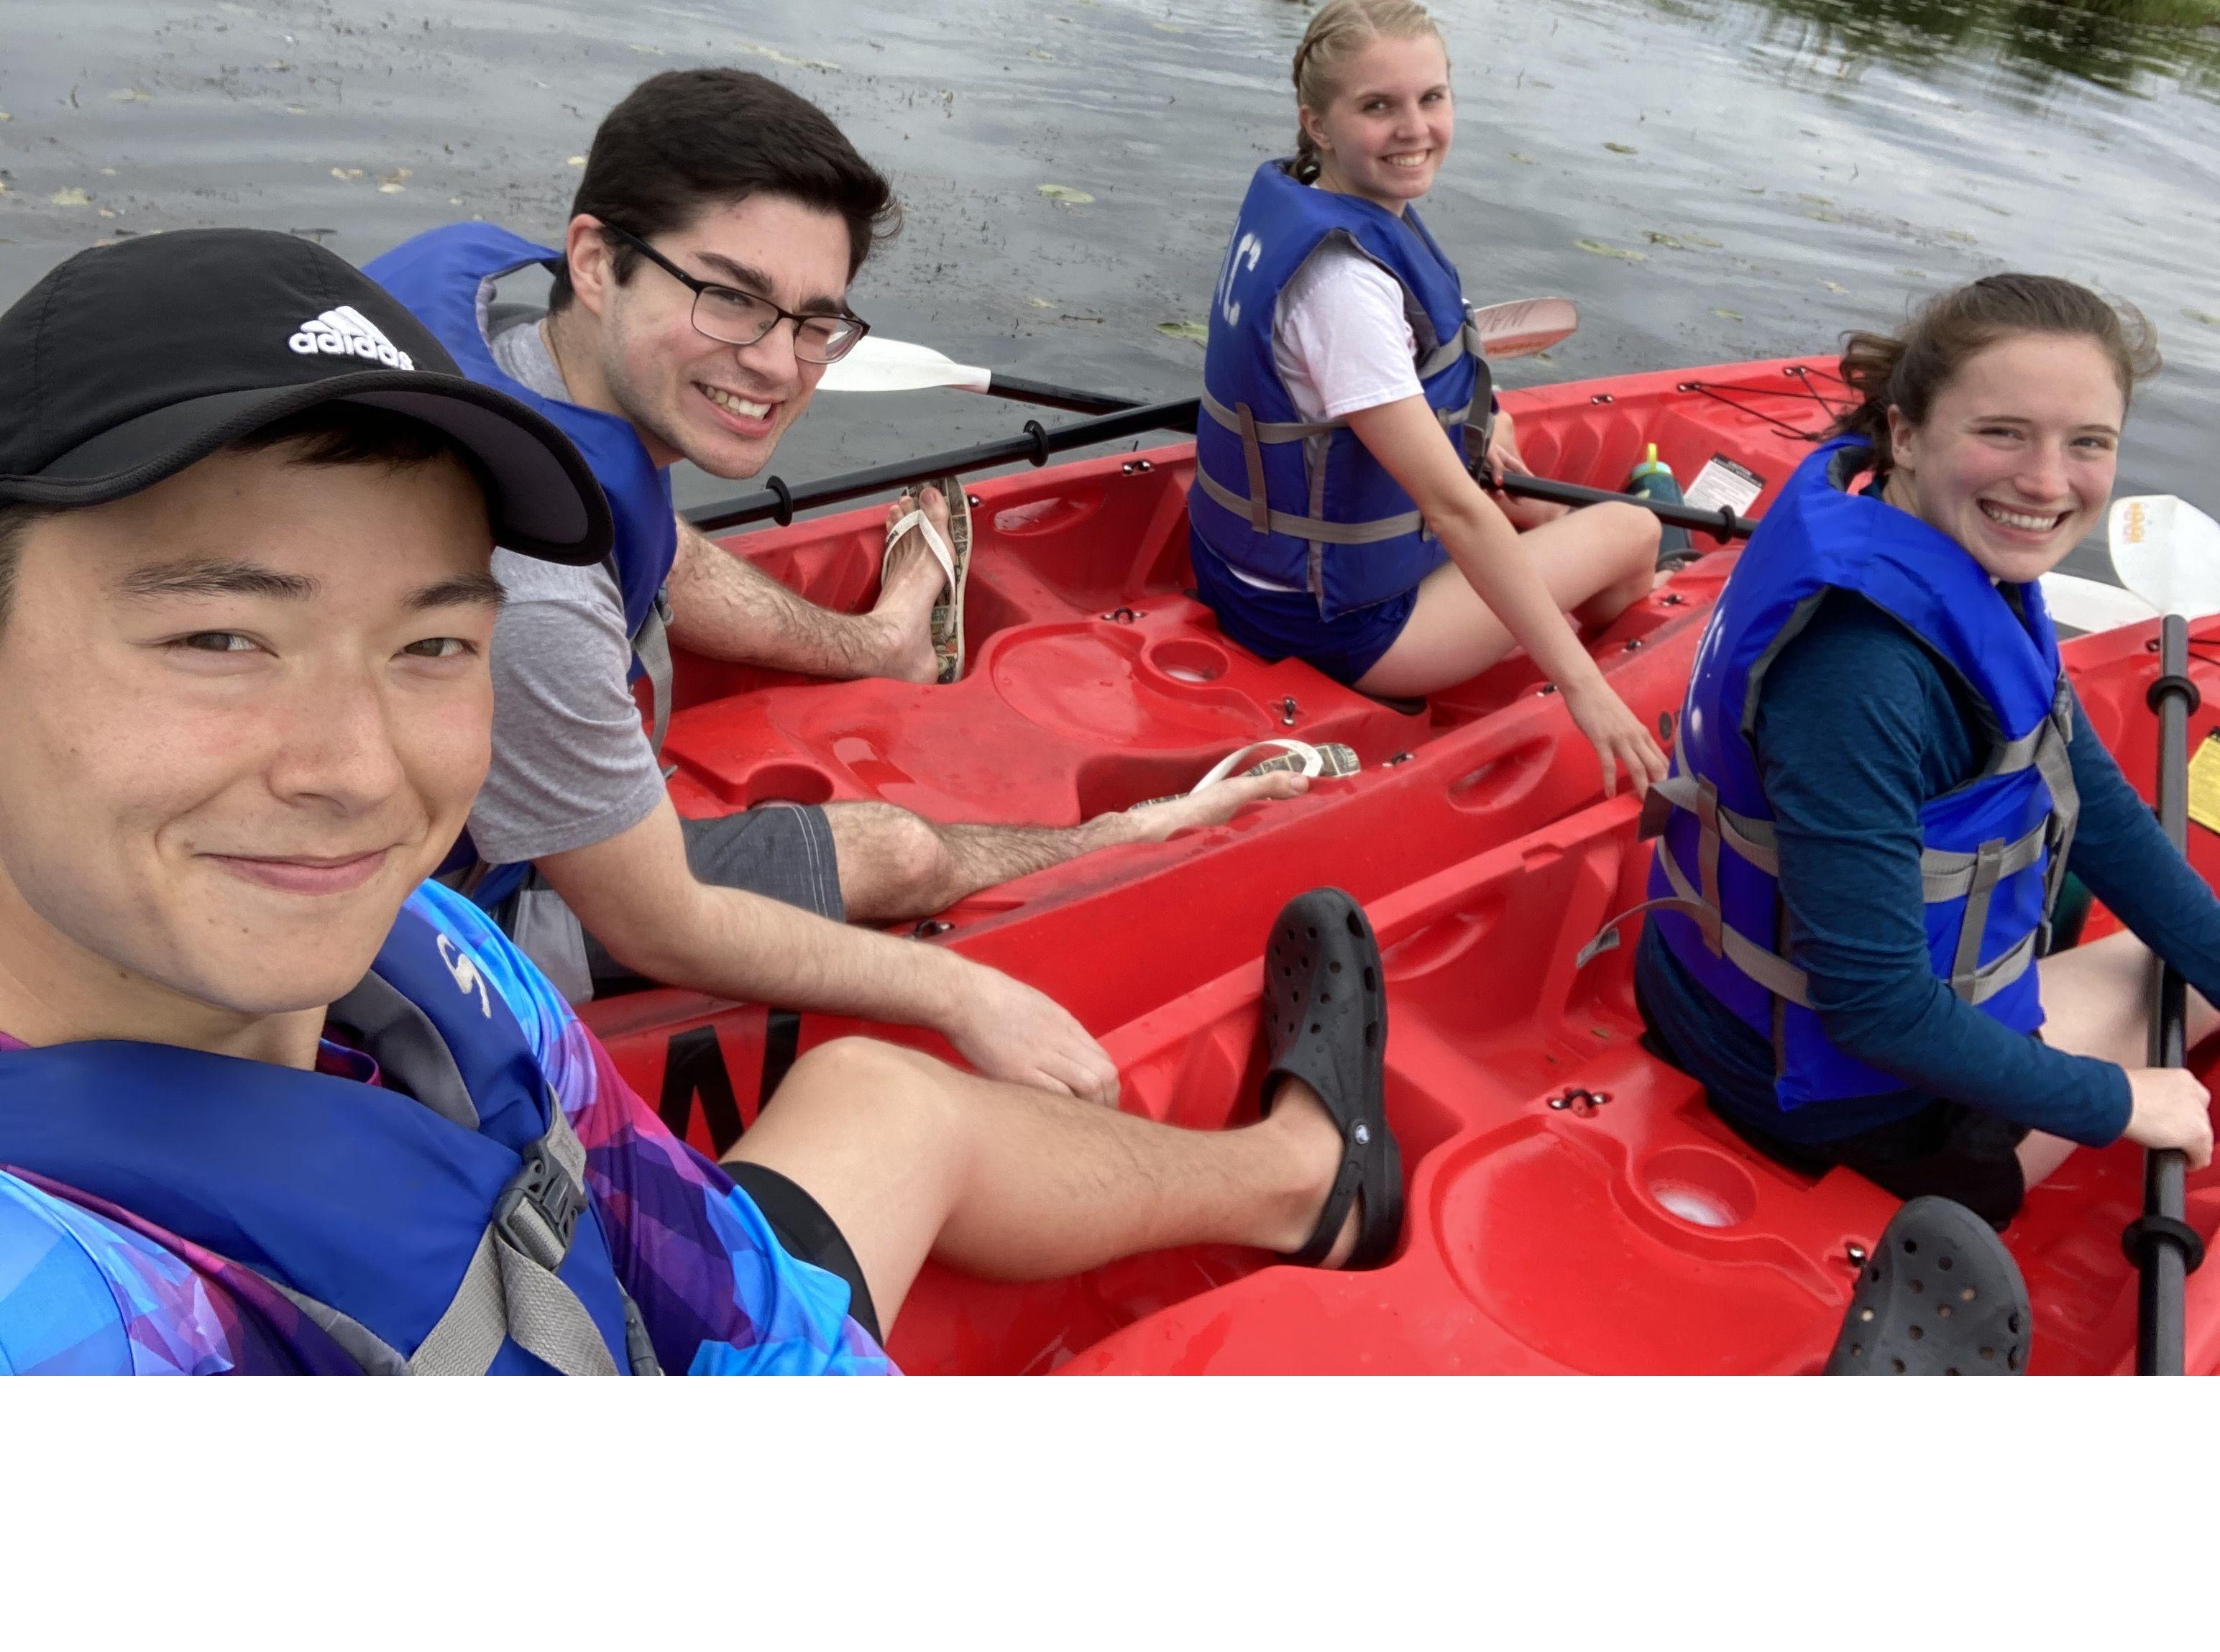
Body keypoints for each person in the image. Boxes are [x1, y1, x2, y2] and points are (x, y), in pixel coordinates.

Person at [0, 231, 1402, 1376]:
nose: (358, 769)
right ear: (604, 265)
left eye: (430, 642)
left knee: (876, 1096)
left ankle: (1303, 1172)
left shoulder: (432, 957)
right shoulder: (73, 1322)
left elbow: (727, 1285)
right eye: (217, 640)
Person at [367, 70, 1297, 1099]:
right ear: (596, 260)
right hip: (437, 927)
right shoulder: (536, 597)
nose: (778, 364)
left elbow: (643, 540)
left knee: (650, 531)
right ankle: (1123, 836)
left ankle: (887, 642)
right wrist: (956, 993)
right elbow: (662, 922)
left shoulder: (508, 340)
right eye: (731, 299)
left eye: (816, 322)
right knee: (895, 850)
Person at [1633, 272, 2220, 1230]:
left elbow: (2087, 792)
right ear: (1907, 432)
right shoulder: (1860, 673)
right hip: (1831, 1098)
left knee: (2138, 916)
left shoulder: (1934, 550)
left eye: (2088, 444)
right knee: (2178, 985)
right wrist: (2126, 1102)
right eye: (2002, 432)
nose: (2045, 480)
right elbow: (1876, 1011)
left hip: (1725, 1002)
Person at [1188, 0, 1666, 792]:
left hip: (1249, 564)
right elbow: (1451, 509)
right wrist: (1589, 691)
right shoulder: (1341, 284)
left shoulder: (1338, 204)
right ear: (1317, 122)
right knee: (1632, 527)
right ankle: (1601, 649)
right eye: (1379, 106)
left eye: (1431, 97)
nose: (1415, 129)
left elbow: (1431, 351)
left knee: (1536, 504)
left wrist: (1493, 416)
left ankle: (1540, 566)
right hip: (1338, 625)